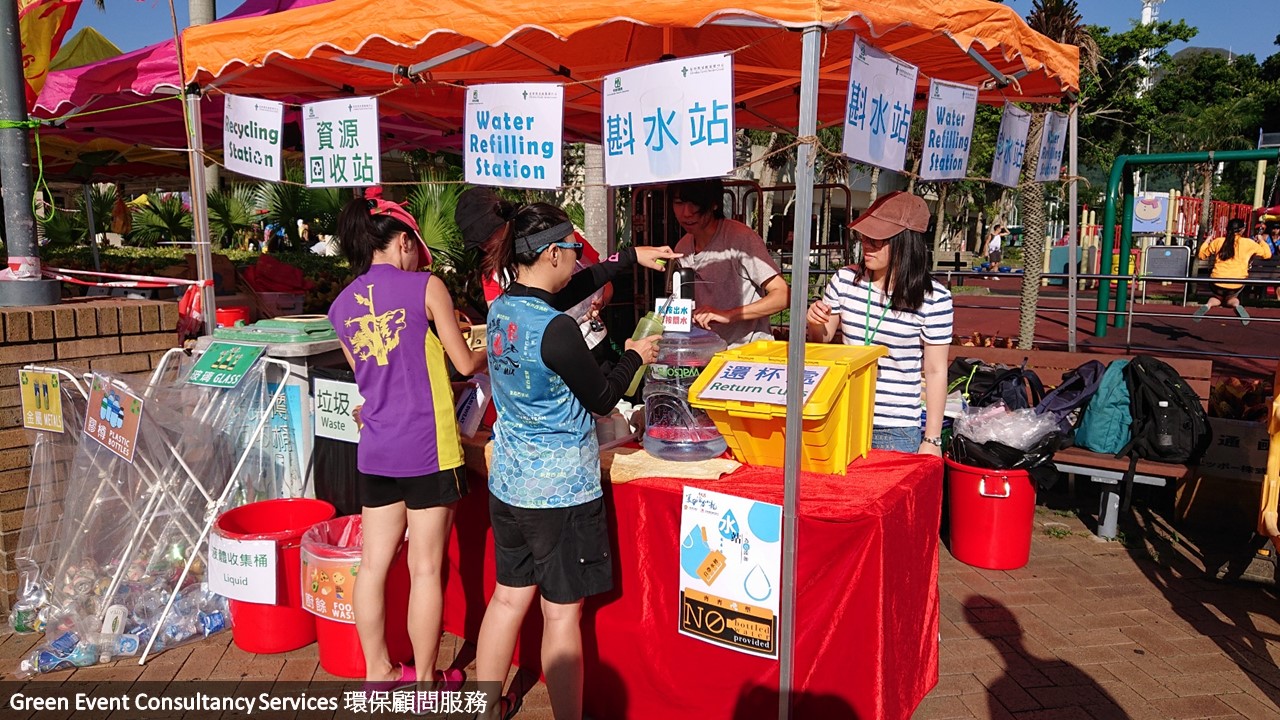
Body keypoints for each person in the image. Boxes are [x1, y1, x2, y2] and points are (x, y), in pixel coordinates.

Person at [475, 203, 661, 720]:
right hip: (559, 494)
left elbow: (576, 286)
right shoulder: (557, 330)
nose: (580, 261)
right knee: (560, 616)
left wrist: (629, 257)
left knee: (507, 599)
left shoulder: (503, 308)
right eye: (575, 251)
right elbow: (602, 398)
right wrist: (636, 354)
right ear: (552, 253)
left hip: (509, 484)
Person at [327, 191, 486, 694]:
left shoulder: (340, 306)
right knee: (425, 568)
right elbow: (465, 363)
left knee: (373, 566)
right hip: (428, 447)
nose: (419, 257)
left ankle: (378, 671)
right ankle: (426, 684)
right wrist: (494, 346)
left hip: (376, 447)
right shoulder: (426, 287)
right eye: (417, 247)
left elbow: (372, 379)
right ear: (402, 243)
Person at [804, 191, 953, 455]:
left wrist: (932, 440)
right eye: (864, 237)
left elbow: (935, 371)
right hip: (842, 414)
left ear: (905, 243)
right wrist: (815, 321)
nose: (866, 246)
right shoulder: (845, 280)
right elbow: (822, 339)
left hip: (895, 428)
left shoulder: (934, 298)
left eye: (876, 240)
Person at [671, 178, 789, 348]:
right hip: (704, 353)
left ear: (714, 204)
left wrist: (729, 315)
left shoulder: (740, 239)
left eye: (695, 203)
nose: (687, 213)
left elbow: (783, 295)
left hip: (748, 353)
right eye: (679, 203)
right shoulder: (682, 247)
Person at [1193, 218, 1272, 325]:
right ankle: (1236, 306)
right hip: (1237, 283)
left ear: (1227, 229)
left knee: (1217, 297)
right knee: (1232, 299)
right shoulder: (1249, 243)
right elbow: (1267, 255)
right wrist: (1261, 240)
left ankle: (1208, 305)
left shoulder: (1218, 241)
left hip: (1217, 282)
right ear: (1242, 230)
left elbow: (1201, 255)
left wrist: (1207, 240)